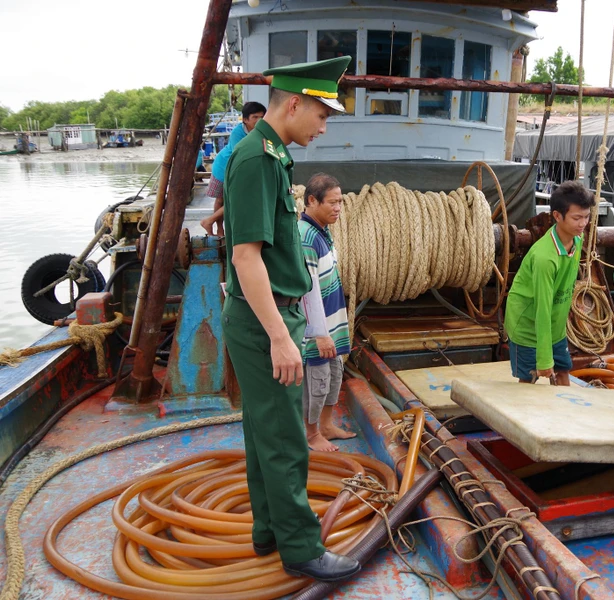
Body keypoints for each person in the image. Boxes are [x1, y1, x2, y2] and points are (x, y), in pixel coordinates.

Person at [220, 56, 360, 582]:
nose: (325, 126)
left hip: (265, 317)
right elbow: (246, 256)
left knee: (263, 433)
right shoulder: (258, 158)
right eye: (322, 115)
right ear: (295, 103)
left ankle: (268, 533)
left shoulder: (272, 155)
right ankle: (301, 549)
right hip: (265, 322)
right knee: (283, 438)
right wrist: (281, 337)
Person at [504, 181, 593, 386]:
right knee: (529, 378)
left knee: (563, 372)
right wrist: (544, 359)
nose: (582, 224)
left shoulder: (577, 241)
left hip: (554, 326)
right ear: (557, 216)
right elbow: (542, 308)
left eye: (586, 217)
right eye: (576, 218)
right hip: (527, 323)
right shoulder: (545, 257)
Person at [299, 173, 356, 452]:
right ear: (312, 200)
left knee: (334, 375)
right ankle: (311, 435)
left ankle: (327, 425)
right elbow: (307, 291)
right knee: (317, 383)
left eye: (340, 202)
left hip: (332, 327)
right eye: (332, 203)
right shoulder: (306, 237)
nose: (338, 208)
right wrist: (319, 334)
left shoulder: (322, 230)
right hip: (318, 333)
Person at [201, 101, 267, 235]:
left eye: (262, 117)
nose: (259, 121)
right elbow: (243, 153)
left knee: (234, 200)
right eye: (255, 117)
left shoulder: (262, 131)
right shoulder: (238, 132)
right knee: (220, 199)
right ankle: (219, 229)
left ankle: (209, 222)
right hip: (224, 167)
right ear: (245, 119)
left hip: (239, 169)